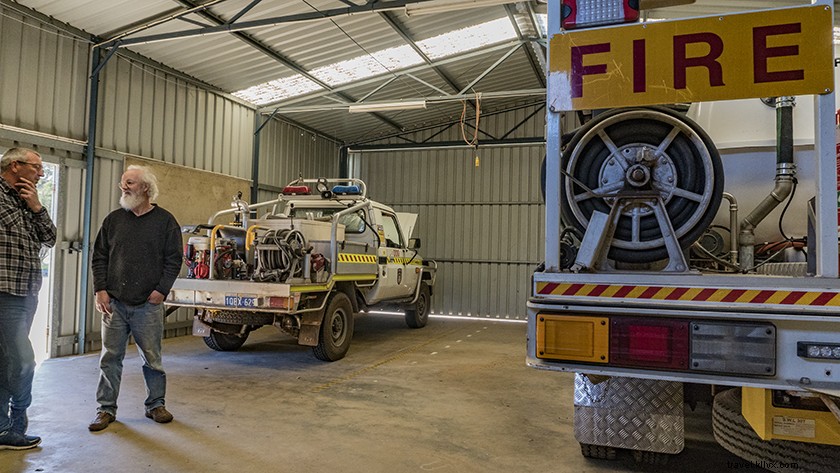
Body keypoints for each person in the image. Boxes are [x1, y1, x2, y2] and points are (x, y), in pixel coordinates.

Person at [88, 164, 182, 432]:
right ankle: (105, 409)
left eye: (129, 182)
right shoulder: (113, 220)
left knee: (152, 358)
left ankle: (155, 405)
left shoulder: (165, 222)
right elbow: (99, 257)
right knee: (110, 358)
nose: (123, 186)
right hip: (114, 303)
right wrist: (100, 290)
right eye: (122, 182)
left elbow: (174, 260)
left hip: (147, 305)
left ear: (145, 188)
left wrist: (161, 290)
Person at [0, 148, 56, 450]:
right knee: (23, 361)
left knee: (7, 362)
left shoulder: (27, 200)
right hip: (4, 292)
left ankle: (4, 430)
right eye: (37, 167)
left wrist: (36, 206)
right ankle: (17, 421)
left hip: (27, 291)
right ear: (15, 165)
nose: (41, 173)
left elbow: (50, 237)